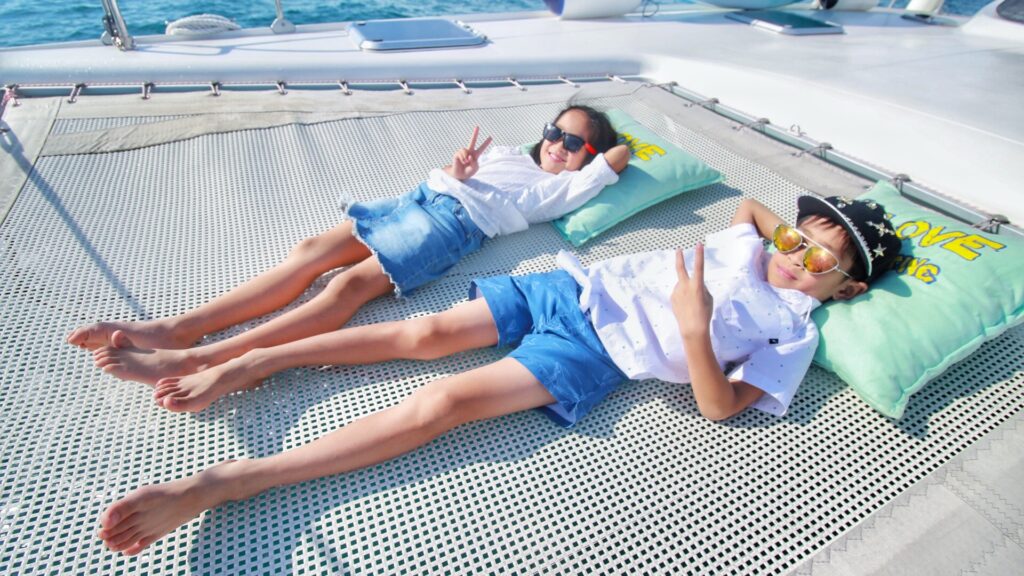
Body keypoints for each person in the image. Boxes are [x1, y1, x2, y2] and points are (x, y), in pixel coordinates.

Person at [96, 193, 901, 554]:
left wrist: (695, 330)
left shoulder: (793, 333)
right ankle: (251, 359)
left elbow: (721, 407)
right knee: (422, 333)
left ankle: (229, 481)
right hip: (570, 288)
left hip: (597, 355)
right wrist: (797, 239)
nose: (795, 257)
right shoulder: (756, 244)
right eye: (797, 239)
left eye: (819, 261)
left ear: (849, 290)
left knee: (441, 402)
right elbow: (753, 206)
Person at [70, 105, 630, 385]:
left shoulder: (559, 189)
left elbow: (619, 157)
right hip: (419, 197)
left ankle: (205, 358)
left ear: (587, 155)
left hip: (451, 225)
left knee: (344, 289)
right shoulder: (512, 154)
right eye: (554, 132)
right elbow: (467, 173)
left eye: (573, 142)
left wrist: (604, 147)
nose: (557, 144)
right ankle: (179, 327)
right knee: (310, 252)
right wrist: (458, 170)